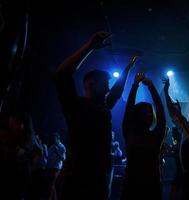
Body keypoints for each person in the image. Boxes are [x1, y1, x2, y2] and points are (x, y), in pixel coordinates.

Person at [54, 31, 138, 199]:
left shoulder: (103, 107)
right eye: (105, 84)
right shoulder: (75, 106)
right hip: (78, 182)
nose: (108, 89)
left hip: (99, 182)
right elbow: (62, 73)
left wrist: (128, 67)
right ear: (91, 84)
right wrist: (89, 47)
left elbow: (117, 90)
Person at [122, 73, 166, 200]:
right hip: (131, 186)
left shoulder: (156, 135)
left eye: (150, 111)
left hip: (152, 187)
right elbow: (129, 107)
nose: (149, 114)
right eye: (144, 111)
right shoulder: (129, 131)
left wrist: (152, 87)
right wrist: (135, 85)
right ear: (136, 115)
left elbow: (160, 110)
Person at [46, 133, 66, 200]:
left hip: (56, 167)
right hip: (50, 167)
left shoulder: (62, 147)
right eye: (53, 139)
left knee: (51, 183)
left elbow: (63, 158)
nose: (53, 140)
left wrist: (57, 151)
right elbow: (47, 156)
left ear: (58, 138)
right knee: (51, 184)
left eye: (55, 138)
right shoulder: (51, 147)